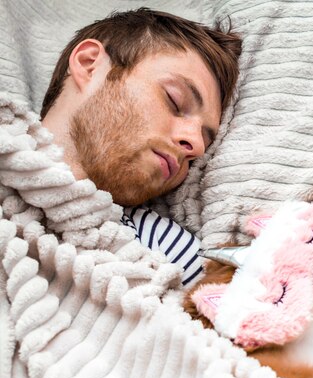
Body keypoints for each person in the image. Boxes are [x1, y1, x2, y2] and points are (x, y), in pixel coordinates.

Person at [39, 8, 242, 286]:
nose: (194, 145)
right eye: (174, 100)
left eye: (205, 143)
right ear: (89, 64)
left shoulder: (170, 258)